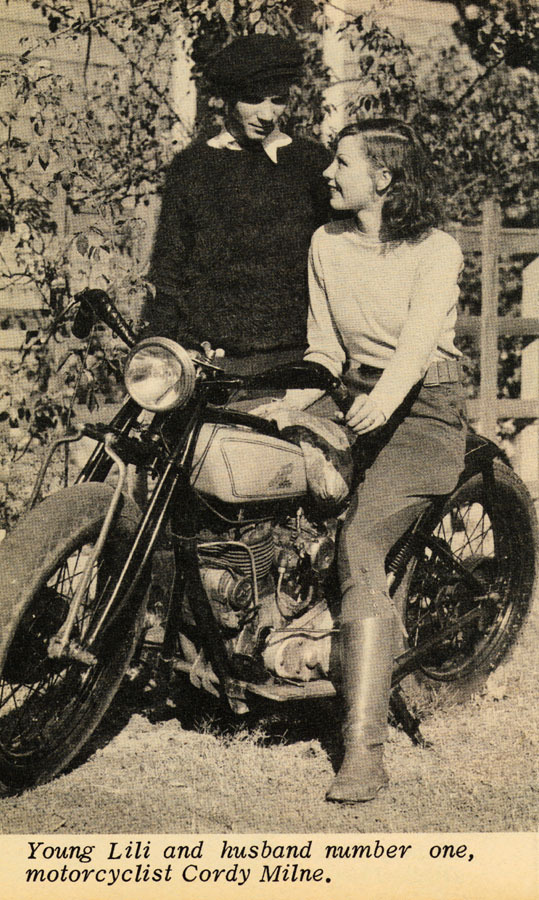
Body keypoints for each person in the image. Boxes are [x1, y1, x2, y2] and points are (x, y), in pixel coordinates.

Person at [260, 118, 467, 803]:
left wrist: (380, 400)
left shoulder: (435, 249)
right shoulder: (326, 243)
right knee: (260, 479)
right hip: (355, 399)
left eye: (341, 163)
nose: (327, 172)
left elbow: (414, 345)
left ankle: (364, 753)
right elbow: (323, 350)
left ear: (382, 177)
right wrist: (289, 408)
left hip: (424, 409)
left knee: (359, 543)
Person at [141, 33, 331, 374]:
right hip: (213, 361)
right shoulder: (193, 167)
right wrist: (167, 354)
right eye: (253, 100)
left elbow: (342, 259)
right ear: (228, 100)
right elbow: (169, 269)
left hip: (299, 358)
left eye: (278, 100)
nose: (267, 114)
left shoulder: (311, 163)